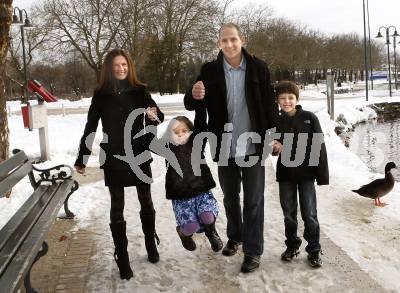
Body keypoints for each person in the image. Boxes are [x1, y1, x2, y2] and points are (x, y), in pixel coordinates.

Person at [184, 23, 276, 273]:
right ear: (218, 43)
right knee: (230, 197)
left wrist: (275, 136)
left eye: (233, 39)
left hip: (254, 145)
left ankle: (253, 251)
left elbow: (270, 105)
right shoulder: (209, 70)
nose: (229, 44)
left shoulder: (259, 68)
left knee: (254, 200)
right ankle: (235, 236)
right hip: (224, 145)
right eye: (224, 40)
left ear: (242, 40)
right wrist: (193, 93)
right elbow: (191, 102)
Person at [74, 49, 164, 280]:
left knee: (146, 200)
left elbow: (157, 115)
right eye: (116, 65)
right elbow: (91, 127)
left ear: (129, 66)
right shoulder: (101, 94)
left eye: (124, 64)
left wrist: (153, 115)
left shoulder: (140, 90)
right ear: (109, 68)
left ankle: (150, 243)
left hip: (139, 154)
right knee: (117, 206)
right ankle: (122, 256)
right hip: (113, 156)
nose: (121, 68)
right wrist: (82, 157)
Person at [272, 80, 329, 268]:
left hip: (306, 174)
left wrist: (322, 175)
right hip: (286, 174)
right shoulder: (276, 120)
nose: (287, 101)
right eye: (282, 98)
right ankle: (292, 245)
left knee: (309, 214)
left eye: (290, 97)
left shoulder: (309, 118)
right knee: (289, 213)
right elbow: (272, 147)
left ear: (297, 98)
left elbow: (319, 146)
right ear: (277, 100)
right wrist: (274, 146)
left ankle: (313, 249)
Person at [162, 116, 223, 252]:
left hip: (201, 189)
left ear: (191, 131)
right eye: (176, 132)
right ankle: (183, 234)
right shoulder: (167, 147)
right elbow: (149, 142)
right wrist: (150, 121)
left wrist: (200, 103)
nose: (180, 134)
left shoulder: (197, 142)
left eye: (184, 130)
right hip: (181, 195)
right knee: (191, 226)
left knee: (207, 216)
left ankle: (211, 232)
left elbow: (201, 124)